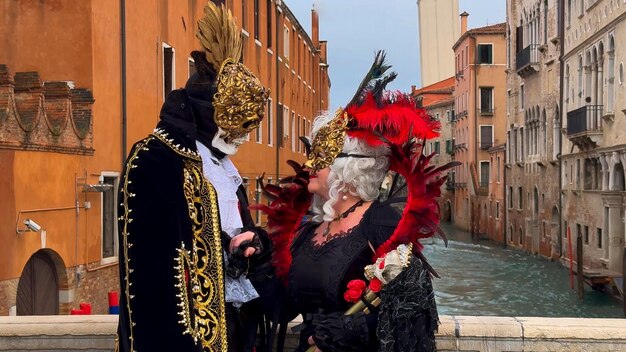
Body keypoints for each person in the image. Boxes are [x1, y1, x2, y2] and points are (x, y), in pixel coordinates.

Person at [255, 52, 455, 352]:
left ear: (347, 170)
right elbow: (280, 310)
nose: (308, 163)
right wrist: (254, 258)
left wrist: (346, 332)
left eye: (320, 157)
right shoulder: (310, 232)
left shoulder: (382, 224)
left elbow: (413, 315)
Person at [115, 3, 270, 352]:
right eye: (235, 128)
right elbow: (153, 273)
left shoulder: (223, 170)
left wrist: (247, 247)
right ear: (209, 114)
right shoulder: (155, 161)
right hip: (187, 338)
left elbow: (222, 235)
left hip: (234, 326)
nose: (242, 140)